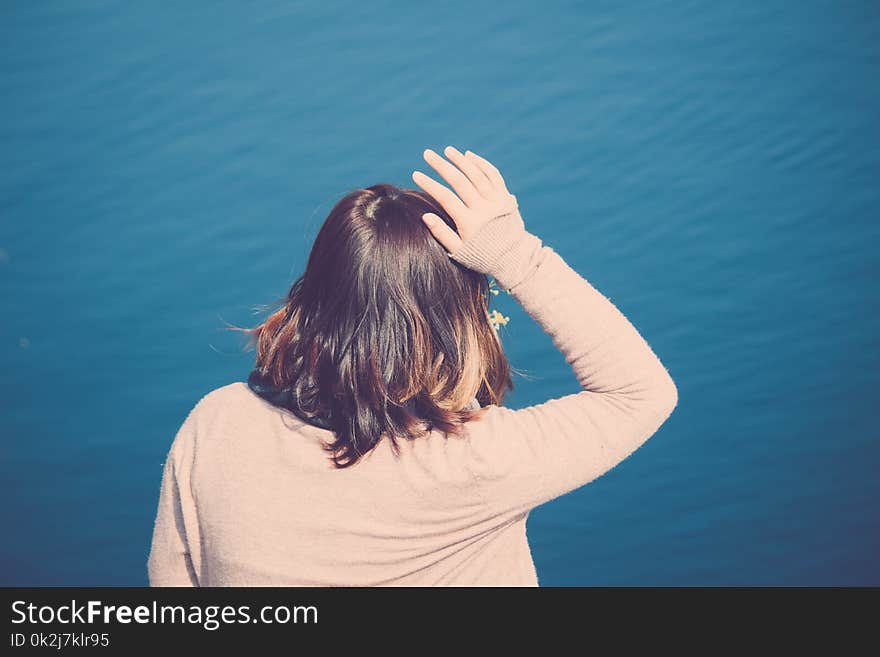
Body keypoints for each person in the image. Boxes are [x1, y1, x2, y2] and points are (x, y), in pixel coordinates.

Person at [147, 146, 678, 586]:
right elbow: (639, 392)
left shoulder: (217, 425)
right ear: (458, 321)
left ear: (315, 300)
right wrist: (516, 255)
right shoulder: (476, 462)